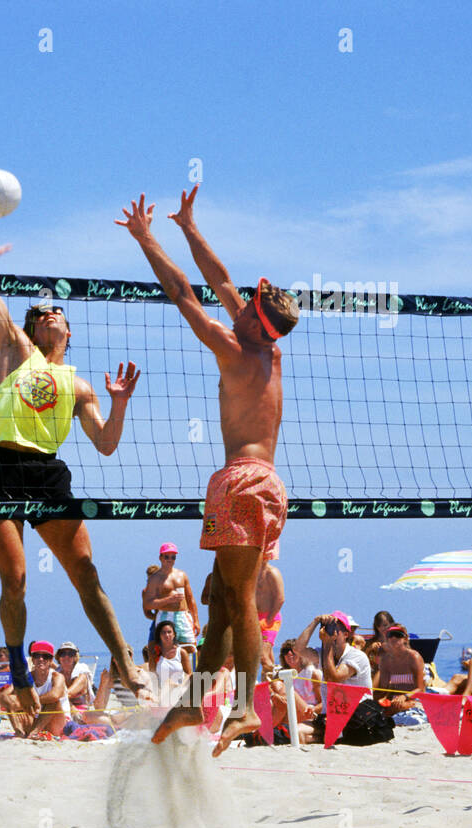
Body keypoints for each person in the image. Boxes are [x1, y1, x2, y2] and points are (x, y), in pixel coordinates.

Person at [119, 187, 299, 755]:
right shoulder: (266, 345)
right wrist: (188, 227)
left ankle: (244, 706)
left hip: (242, 481)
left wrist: (147, 240)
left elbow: (181, 293)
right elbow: (218, 278)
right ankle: (197, 699)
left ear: (253, 320)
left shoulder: (231, 345)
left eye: (251, 301)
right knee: (219, 597)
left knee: (239, 597)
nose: (241, 299)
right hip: (267, 485)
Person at [0, 226, 146, 724]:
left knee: (86, 573)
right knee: (17, 580)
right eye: (41, 311)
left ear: (68, 330)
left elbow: (107, 444)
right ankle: (20, 668)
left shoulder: (79, 384)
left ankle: (126, 662)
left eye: (57, 311)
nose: (50, 313)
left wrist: (120, 403)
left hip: (46, 472)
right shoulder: (16, 348)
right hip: (0, 466)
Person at [290, 612, 393, 746]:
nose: (331, 634)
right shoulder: (324, 654)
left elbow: (333, 678)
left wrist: (327, 645)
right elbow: (298, 649)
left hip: (356, 717)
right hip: (330, 717)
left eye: (335, 630)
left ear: (346, 634)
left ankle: (333, 739)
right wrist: (315, 622)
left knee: (307, 734)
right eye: (328, 629)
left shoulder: (356, 656)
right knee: (296, 732)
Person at [142, 543, 201, 648]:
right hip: (165, 616)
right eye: (167, 556)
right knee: (166, 650)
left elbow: (190, 598)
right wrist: (168, 600)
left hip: (183, 615)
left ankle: (190, 665)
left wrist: (196, 620)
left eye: (173, 557)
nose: (170, 559)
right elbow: (148, 604)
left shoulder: (182, 575)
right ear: (160, 557)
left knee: (190, 647)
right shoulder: (154, 579)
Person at [374, 623, 426, 722]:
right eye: (390, 635)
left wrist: (404, 696)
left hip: (413, 699)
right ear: (387, 639)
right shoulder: (386, 660)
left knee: (396, 707)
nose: (394, 638)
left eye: (398, 635)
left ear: (405, 638)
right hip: (395, 701)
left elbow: (421, 689)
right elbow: (382, 689)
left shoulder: (414, 657)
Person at [149, 620, 193, 707]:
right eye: (163, 633)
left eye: (169, 632)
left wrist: (179, 687)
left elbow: (189, 674)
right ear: (159, 635)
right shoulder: (155, 655)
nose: (167, 635)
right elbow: (152, 676)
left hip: (180, 691)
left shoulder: (181, 653)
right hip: (162, 694)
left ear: (174, 634)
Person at [256, 560, 285, 675]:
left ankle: (282, 677)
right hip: (255, 619)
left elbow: (280, 598)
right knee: (267, 656)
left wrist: (268, 620)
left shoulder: (272, 572)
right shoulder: (252, 572)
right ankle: (271, 686)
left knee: (262, 655)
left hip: (270, 619)